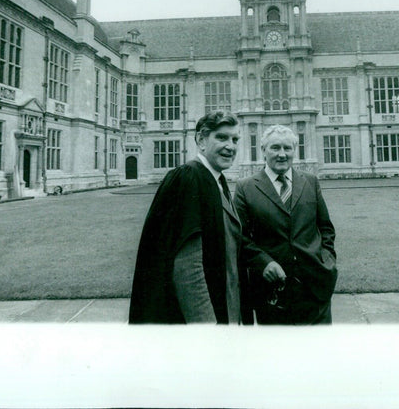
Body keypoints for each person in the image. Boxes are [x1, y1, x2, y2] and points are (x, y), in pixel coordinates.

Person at [128, 111, 250, 324]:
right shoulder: (189, 178)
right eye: (221, 137)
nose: (231, 146)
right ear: (201, 140)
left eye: (235, 139)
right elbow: (187, 267)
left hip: (226, 305)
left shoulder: (216, 180)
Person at [234, 124, 338, 325]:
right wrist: (264, 262)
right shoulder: (245, 187)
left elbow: (326, 228)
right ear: (263, 150)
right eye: (275, 148)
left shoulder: (310, 181)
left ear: (294, 151)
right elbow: (240, 237)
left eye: (287, 148)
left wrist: (327, 262)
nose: (282, 154)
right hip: (272, 291)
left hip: (315, 288)